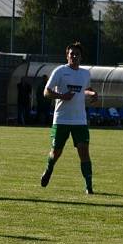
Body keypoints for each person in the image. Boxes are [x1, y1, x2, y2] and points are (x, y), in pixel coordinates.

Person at [40, 42, 98, 194]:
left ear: (81, 57)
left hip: (80, 120)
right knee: (56, 152)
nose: (74, 56)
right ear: (67, 56)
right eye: (71, 54)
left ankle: (89, 186)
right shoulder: (60, 71)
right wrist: (61, 96)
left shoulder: (85, 73)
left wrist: (92, 94)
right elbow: (46, 92)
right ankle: (48, 169)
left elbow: (84, 91)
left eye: (76, 54)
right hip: (61, 119)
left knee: (84, 152)